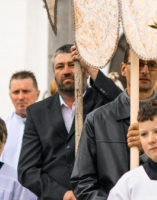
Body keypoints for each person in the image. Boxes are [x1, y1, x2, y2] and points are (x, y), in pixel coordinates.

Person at [71, 43, 157, 200]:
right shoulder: (97, 120)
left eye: (151, 65)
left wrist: (147, 150)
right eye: (138, 63)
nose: (144, 70)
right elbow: (83, 182)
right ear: (123, 69)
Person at [19, 45, 121, 200]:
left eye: (73, 65)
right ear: (54, 73)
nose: (66, 71)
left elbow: (123, 106)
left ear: (85, 70)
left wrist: (94, 71)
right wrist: (62, 194)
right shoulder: (37, 112)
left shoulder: (102, 104)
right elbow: (27, 170)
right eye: (60, 67)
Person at [1, 71, 41, 170]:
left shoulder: (50, 124)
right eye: (16, 92)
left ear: (37, 94)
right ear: (10, 95)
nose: (20, 97)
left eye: (25, 91)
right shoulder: (1, 126)